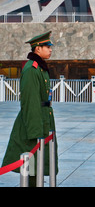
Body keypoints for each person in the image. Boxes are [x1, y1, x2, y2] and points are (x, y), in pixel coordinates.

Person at [1, 31, 58, 187]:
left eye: (50, 46)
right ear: (37, 49)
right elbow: (31, 102)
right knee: (31, 168)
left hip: (42, 120)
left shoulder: (39, 68)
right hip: (34, 124)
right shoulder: (32, 70)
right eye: (47, 46)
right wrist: (35, 133)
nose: (50, 49)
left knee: (36, 167)